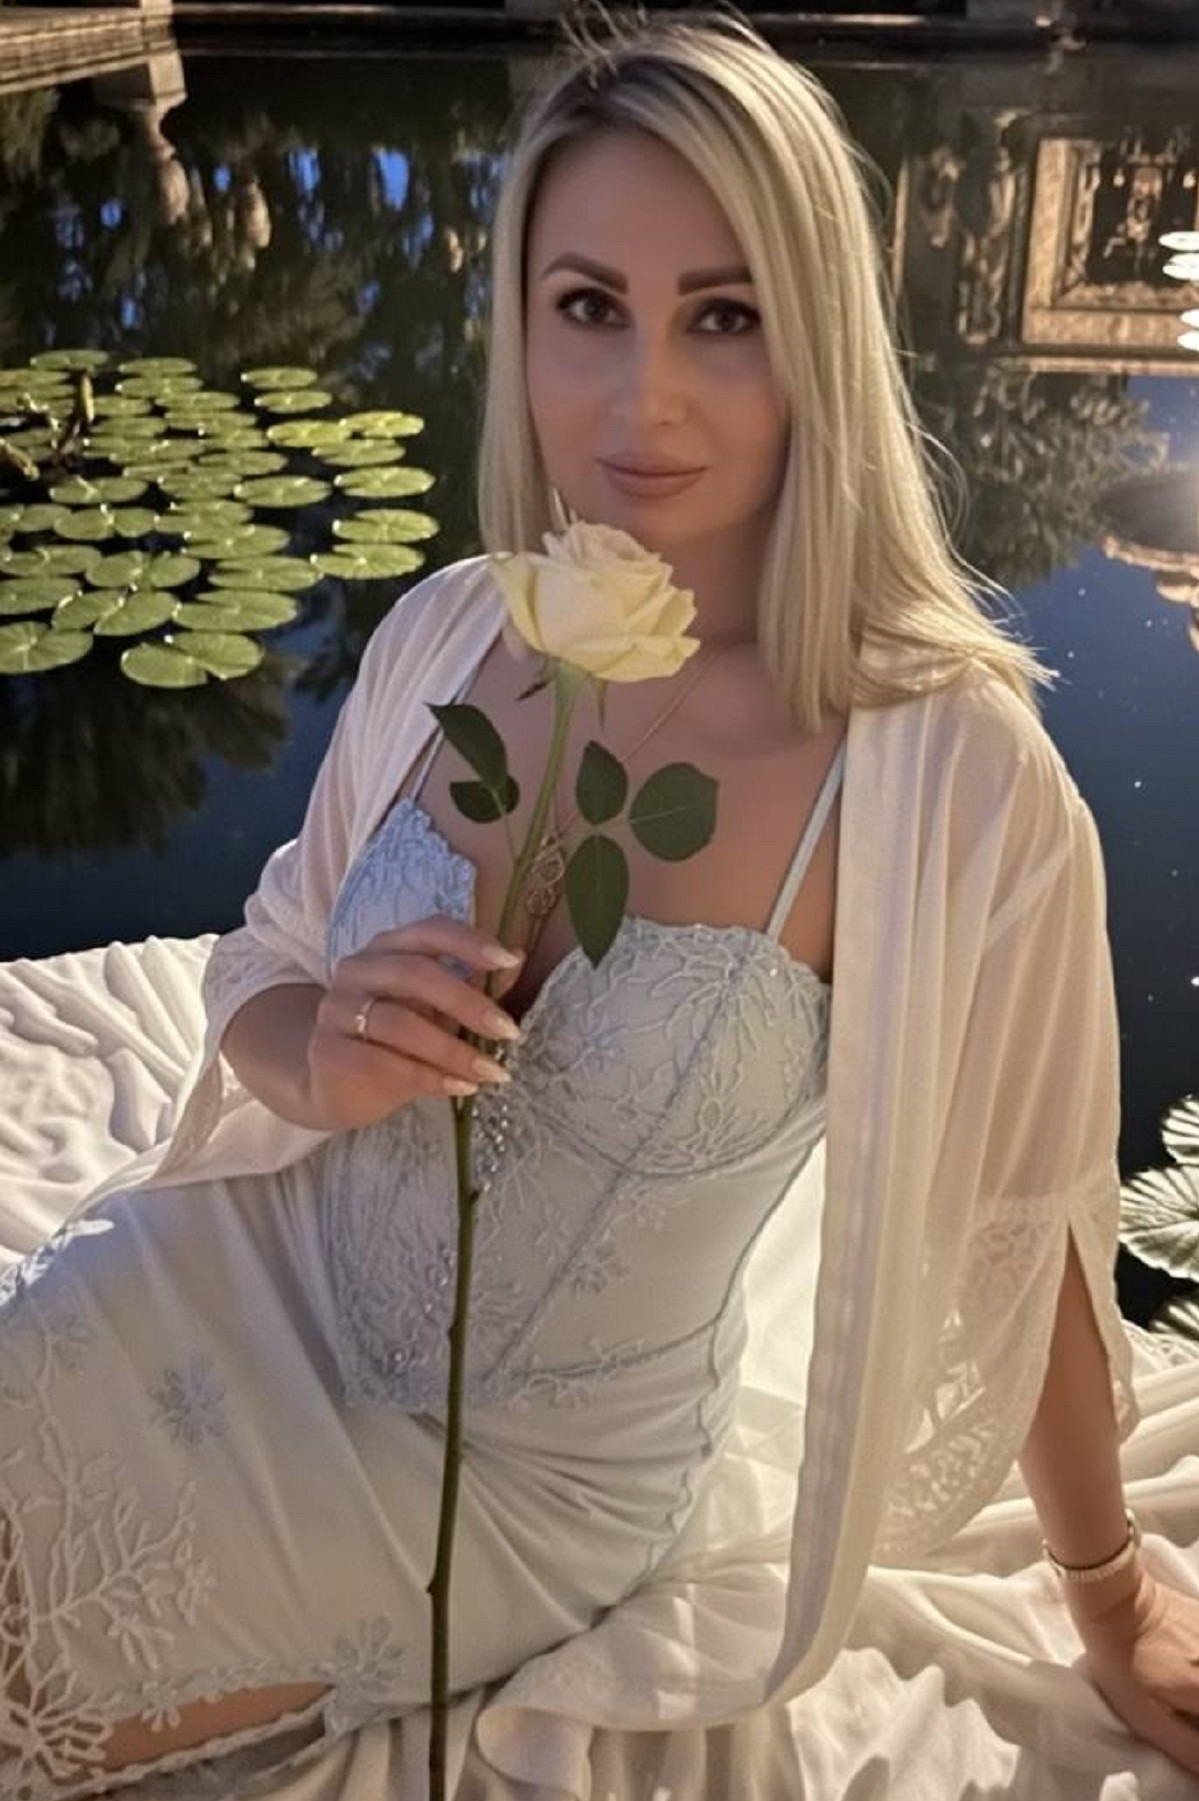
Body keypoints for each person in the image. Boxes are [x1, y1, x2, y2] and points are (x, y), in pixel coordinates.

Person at [3, 5, 1198, 1797]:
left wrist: (1110, 1593)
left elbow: (1016, 1225)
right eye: (588, 307)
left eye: (723, 316)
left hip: (513, 1481)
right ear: (520, 321)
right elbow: (267, 954)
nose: (643, 399)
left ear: (819, 335)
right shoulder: (453, 629)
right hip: (250, 1268)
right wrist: (319, 1051)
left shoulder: (951, 778)